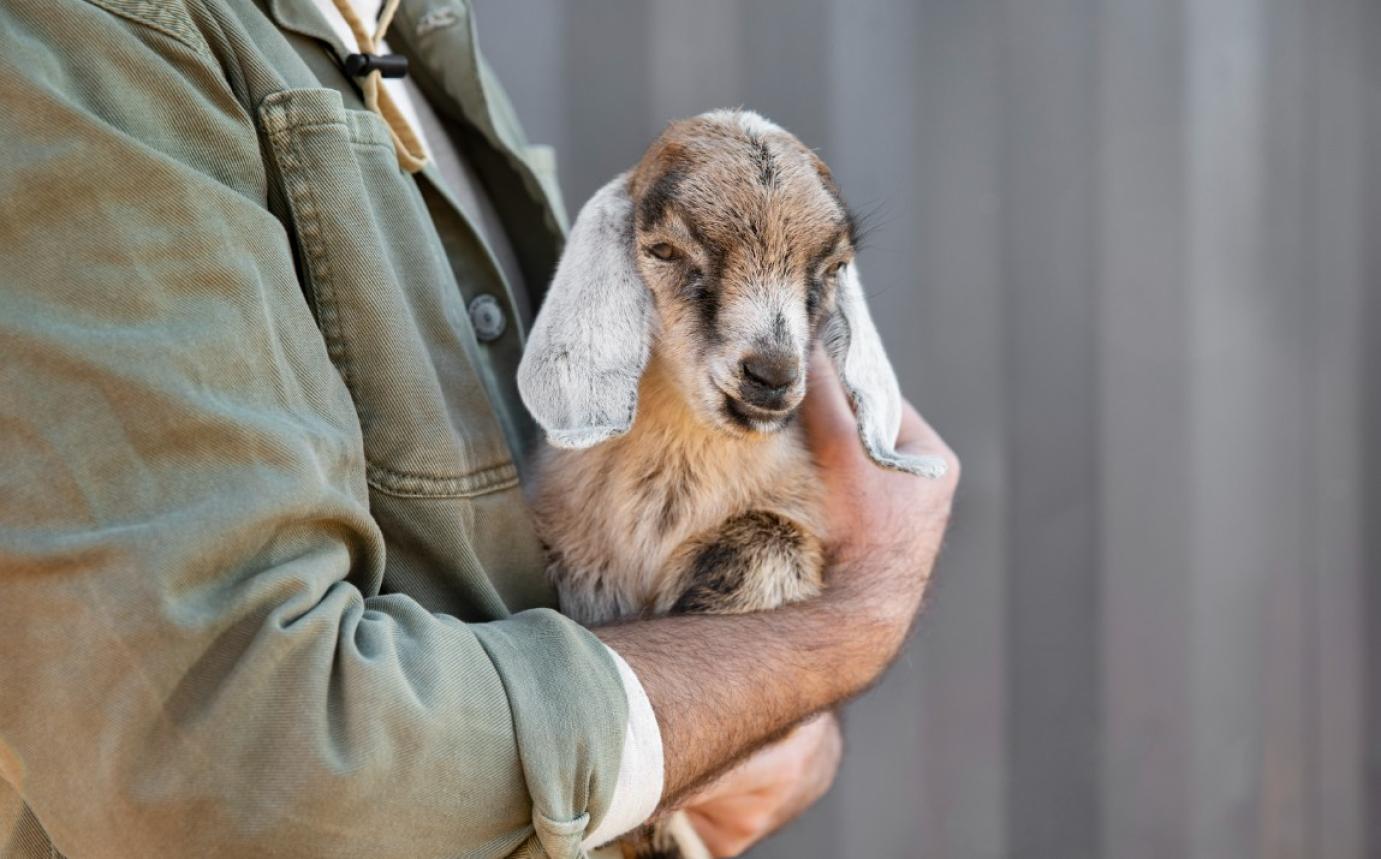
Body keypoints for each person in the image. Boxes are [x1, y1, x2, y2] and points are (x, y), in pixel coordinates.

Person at [0, 0, 959, 856]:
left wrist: (738, 710)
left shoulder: (407, 36)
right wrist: (842, 627)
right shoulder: (97, 40)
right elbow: (242, 771)